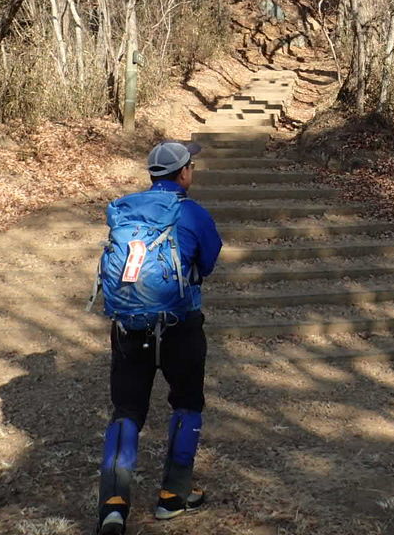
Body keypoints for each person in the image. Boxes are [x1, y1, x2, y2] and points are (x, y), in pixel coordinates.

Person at [95, 139, 222, 535]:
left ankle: (113, 505)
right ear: (183, 174)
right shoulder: (193, 213)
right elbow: (209, 263)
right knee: (186, 404)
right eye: (191, 167)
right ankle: (173, 496)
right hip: (180, 325)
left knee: (127, 410)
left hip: (128, 327)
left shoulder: (125, 208)